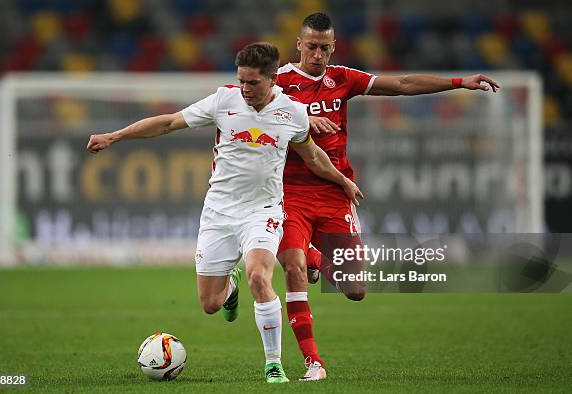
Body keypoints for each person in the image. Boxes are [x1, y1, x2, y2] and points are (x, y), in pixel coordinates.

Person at [86, 42, 363, 384]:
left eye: (253, 83)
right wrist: (115, 136)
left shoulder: (292, 113)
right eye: (242, 81)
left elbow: (313, 156)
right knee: (210, 304)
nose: (245, 89)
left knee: (260, 277)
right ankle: (229, 290)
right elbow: (169, 123)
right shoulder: (224, 100)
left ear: (272, 79)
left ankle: (273, 365)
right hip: (218, 213)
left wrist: (342, 181)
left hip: (262, 212)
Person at [275, 12, 501, 381]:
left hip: (335, 191)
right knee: (293, 268)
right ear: (299, 45)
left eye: (324, 47)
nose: (317, 54)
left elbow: (403, 84)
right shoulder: (278, 82)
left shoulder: (342, 78)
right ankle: (314, 364)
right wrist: (298, 116)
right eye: (311, 46)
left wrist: (459, 82)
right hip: (289, 192)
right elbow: (251, 111)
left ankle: (314, 259)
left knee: (355, 289)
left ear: (333, 47)